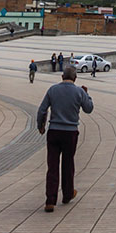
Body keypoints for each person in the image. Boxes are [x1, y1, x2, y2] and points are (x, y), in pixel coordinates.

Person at [37, 65, 94, 212]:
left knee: (52, 166)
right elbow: (89, 108)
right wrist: (86, 95)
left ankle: (50, 200)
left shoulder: (52, 90)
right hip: (70, 133)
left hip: (54, 131)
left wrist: (40, 125)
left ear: (62, 77)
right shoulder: (79, 91)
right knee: (68, 164)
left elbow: (42, 109)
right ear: (75, 78)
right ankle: (67, 194)